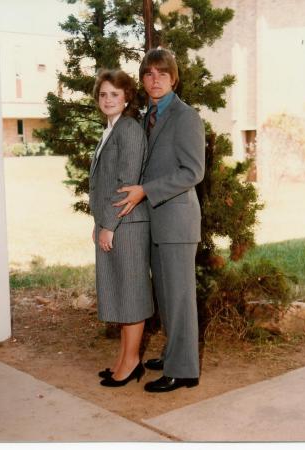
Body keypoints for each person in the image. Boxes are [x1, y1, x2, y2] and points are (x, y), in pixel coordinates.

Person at [114, 48, 205, 392]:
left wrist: (145, 191)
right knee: (166, 296)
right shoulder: (145, 116)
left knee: (179, 298)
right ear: (142, 80)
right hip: (155, 222)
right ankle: (172, 355)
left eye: (162, 74)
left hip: (177, 223)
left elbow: (193, 171)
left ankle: (184, 371)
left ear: (173, 78)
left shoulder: (186, 117)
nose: (155, 80)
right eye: (149, 74)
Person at [89, 69, 154, 387]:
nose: (108, 99)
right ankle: (124, 359)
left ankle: (131, 363)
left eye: (115, 94)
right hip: (116, 223)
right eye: (103, 94)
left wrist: (109, 226)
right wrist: (100, 223)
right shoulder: (111, 129)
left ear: (127, 97)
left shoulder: (128, 129)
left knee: (132, 294)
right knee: (125, 294)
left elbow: (126, 183)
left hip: (126, 223)